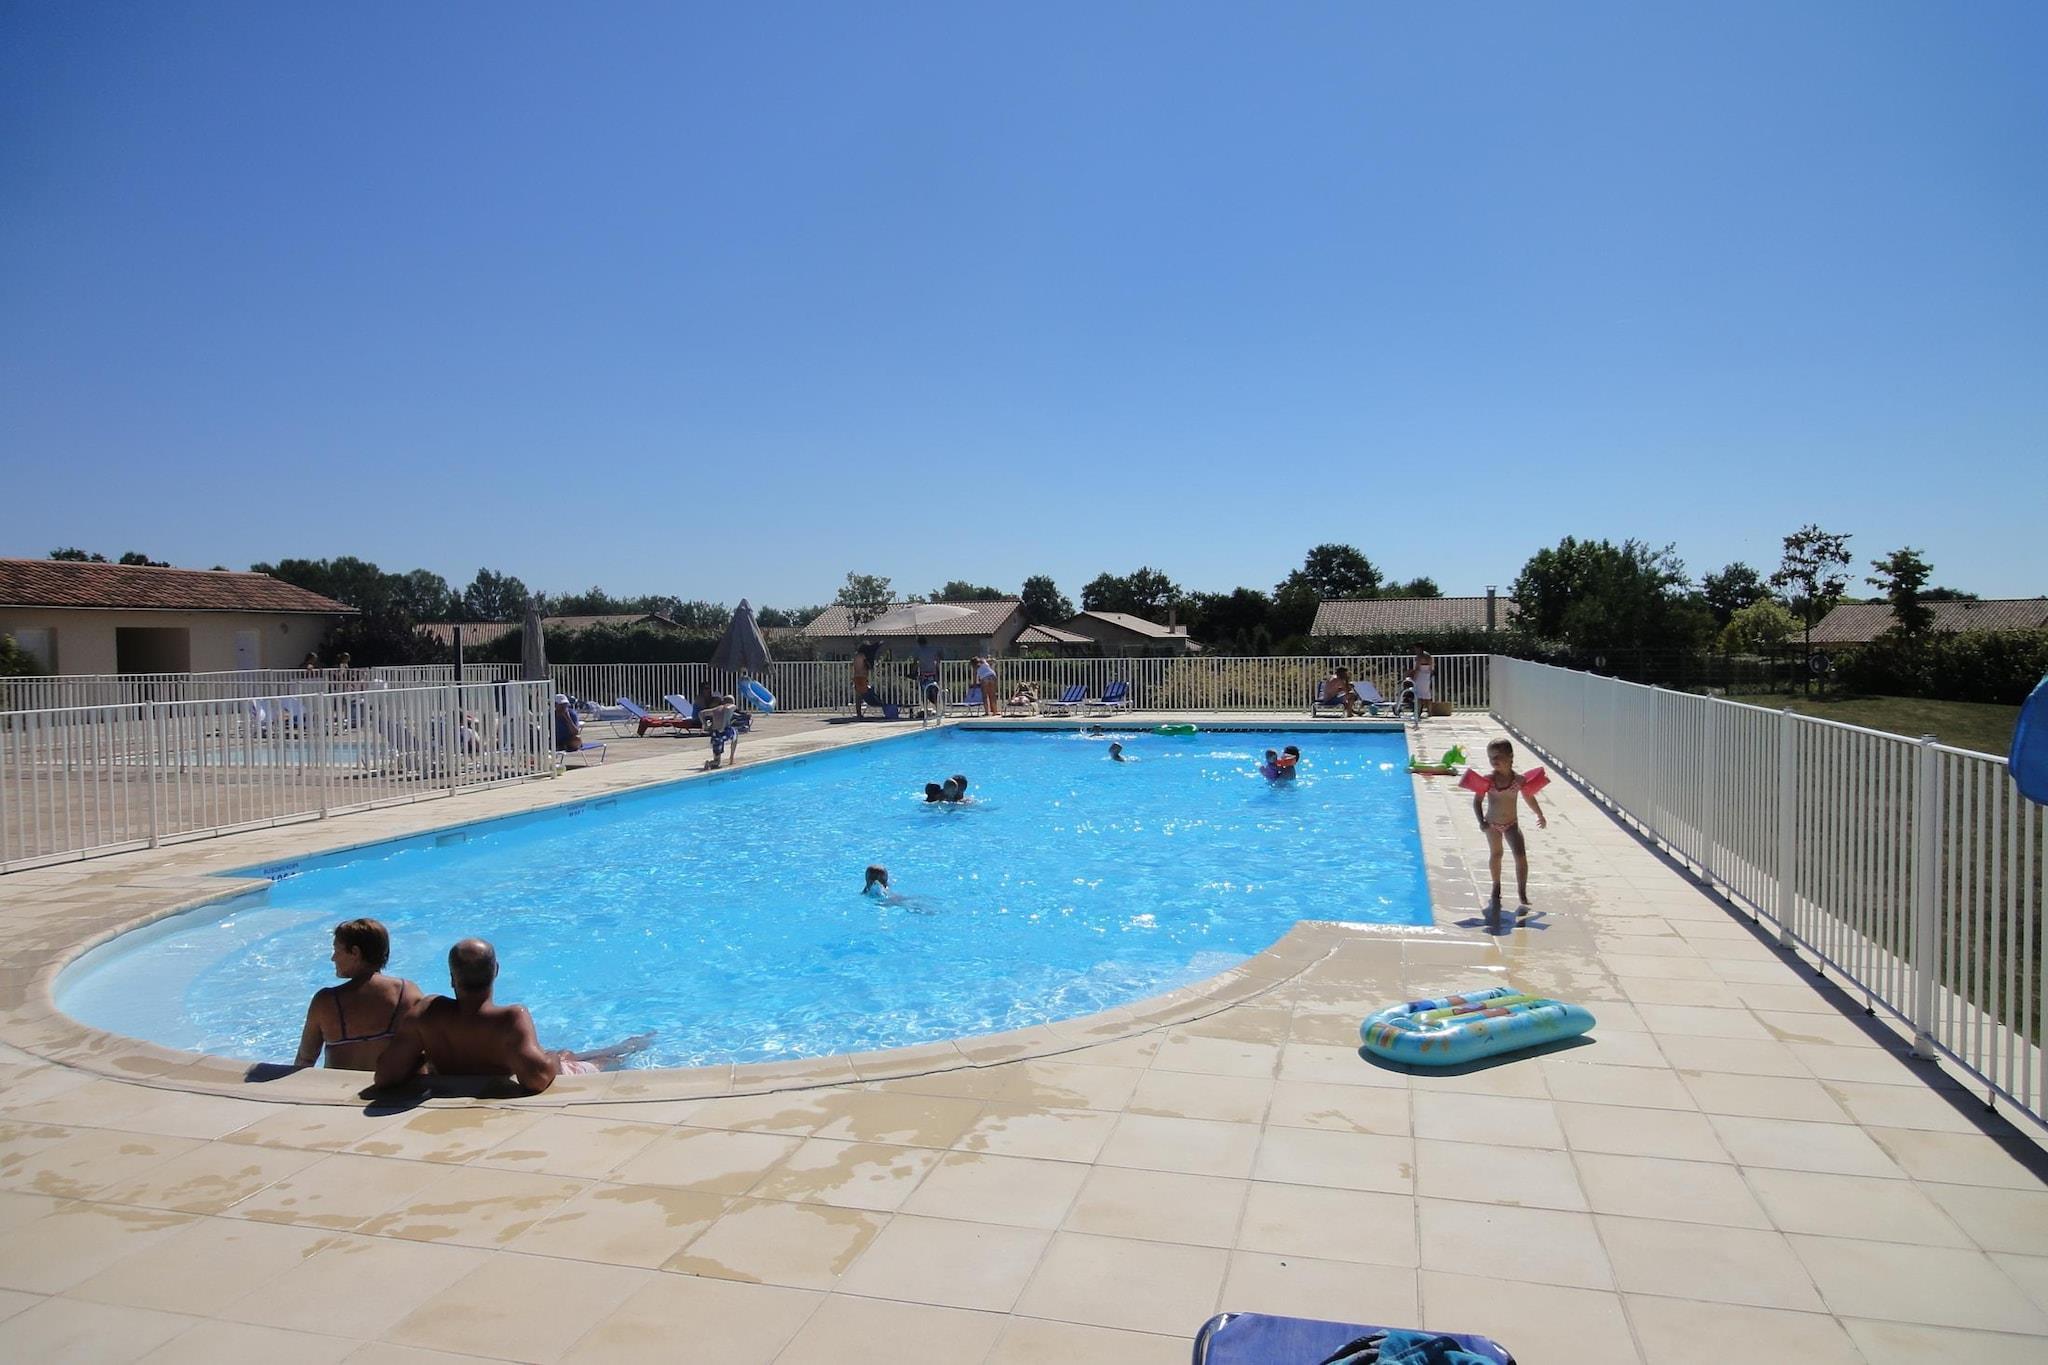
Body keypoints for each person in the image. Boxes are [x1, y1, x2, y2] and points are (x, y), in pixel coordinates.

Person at [373, 939, 650, 1092]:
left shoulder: (426, 1013)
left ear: (451, 977)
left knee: (566, 1054)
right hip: (520, 1073)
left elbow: (385, 1075)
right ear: (496, 971)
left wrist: (426, 1056)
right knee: (593, 1059)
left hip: (455, 1075)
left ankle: (600, 1051)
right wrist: (552, 1059)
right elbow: (537, 1078)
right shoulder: (509, 1019)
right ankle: (630, 1048)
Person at [294, 919, 421, 1071]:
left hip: (340, 1085)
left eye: (336, 950)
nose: (333, 958)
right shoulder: (408, 993)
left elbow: (305, 1060)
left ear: (355, 952)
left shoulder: (326, 1002)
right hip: (392, 1085)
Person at [1473, 738, 1548, 911]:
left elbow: (1529, 797)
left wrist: (1539, 814)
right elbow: (1477, 801)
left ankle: (1522, 891)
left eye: (1498, 756)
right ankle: (1496, 885)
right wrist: (1481, 821)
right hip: (1492, 824)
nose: (1494, 760)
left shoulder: (1519, 780)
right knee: (1496, 854)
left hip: (1511, 824)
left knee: (1520, 856)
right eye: (1491, 757)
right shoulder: (1488, 780)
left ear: (1510, 757)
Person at [702, 693, 742, 769]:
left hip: (715, 734)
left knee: (717, 762)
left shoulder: (715, 709)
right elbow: (727, 709)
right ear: (732, 701)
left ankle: (710, 763)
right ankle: (731, 758)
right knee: (735, 733)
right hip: (724, 732)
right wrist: (723, 725)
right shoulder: (731, 706)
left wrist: (705, 725)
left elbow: (701, 713)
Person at [1405, 647, 1435, 724]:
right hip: (1427, 676)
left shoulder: (1419, 657)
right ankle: (1430, 712)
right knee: (1427, 695)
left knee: (1418, 695)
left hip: (1420, 676)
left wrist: (1414, 678)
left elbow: (1417, 669)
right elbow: (1431, 668)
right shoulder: (1429, 656)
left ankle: (1417, 712)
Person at [912, 636, 941, 710]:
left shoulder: (918, 651)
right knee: (934, 692)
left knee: (924, 693)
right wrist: (937, 670)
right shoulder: (932, 650)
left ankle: (925, 709)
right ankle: (937, 708)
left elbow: (915, 663)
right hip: (933, 674)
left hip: (924, 675)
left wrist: (913, 672)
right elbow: (937, 661)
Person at [852, 641, 878, 718]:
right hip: (862, 676)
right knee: (864, 694)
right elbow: (868, 665)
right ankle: (860, 713)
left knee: (858, 696)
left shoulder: (856, 656)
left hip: (856, 676)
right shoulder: (863, 656)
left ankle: (858, 713)